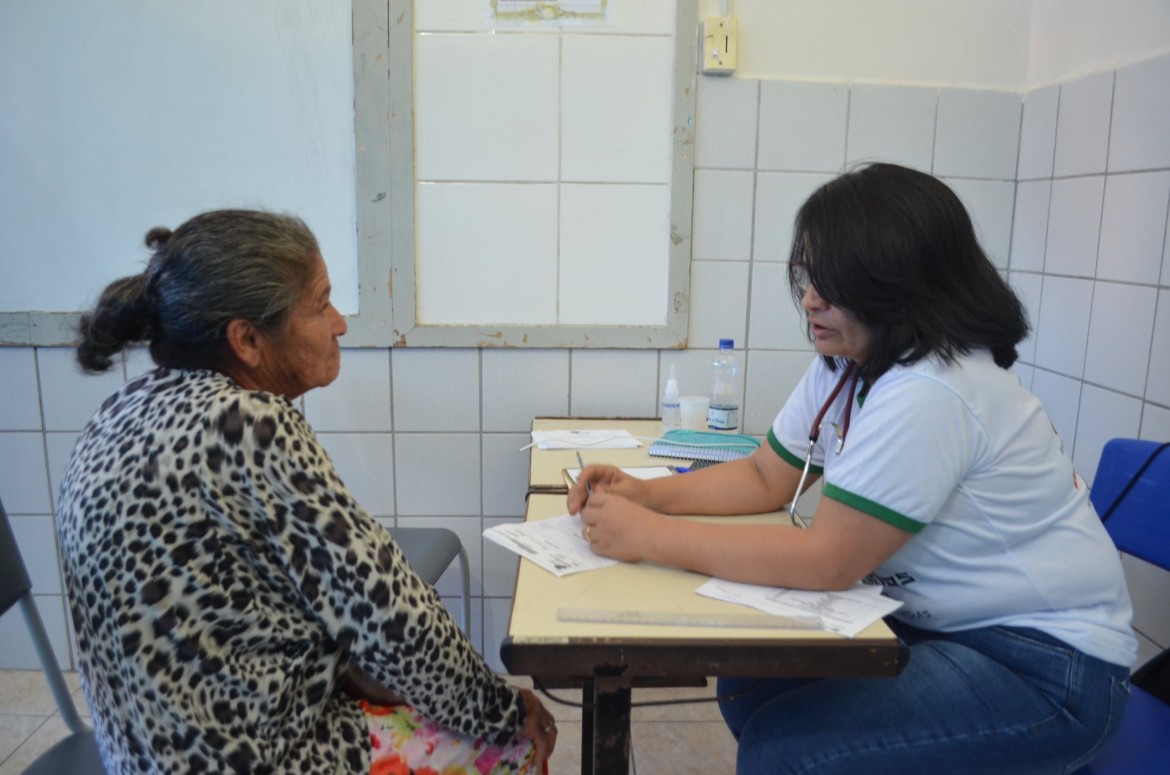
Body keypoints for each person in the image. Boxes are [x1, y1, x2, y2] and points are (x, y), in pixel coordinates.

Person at [568, 164, 1136, 774]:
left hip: (1045, 667)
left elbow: (828, 561)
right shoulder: (849, 362)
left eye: (834, 283)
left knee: (787, 753)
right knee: (751, 683)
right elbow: (765, 477)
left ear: (899, 284)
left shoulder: (934, 388)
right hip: (934, 626)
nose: (810, 299)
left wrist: (650, 537)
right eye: (810, 276)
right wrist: (645, 495)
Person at [57, 209, 557, 774]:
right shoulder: (248, 424)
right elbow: (394, 618)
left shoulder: (120, 410)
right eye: (320, 306)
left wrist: (360, 672)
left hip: (139, 753)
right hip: (244, 759)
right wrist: (504, 710)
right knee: (513, 745)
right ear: (247, 339)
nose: (339, 324)